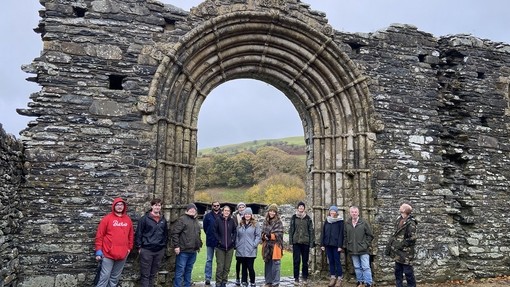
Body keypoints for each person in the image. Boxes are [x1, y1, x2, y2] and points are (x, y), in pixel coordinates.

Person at [94, 197, 134, 287]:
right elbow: (99, 235)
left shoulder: (128, 220)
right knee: (104, 276)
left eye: (121, 205)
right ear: (114, 206)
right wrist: (98, 251)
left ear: (124, 207)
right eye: (117, 205)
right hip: (108, 253)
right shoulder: (107, 219)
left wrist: (129, 248)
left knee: (115, 278)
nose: (119, 207)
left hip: (122, 254)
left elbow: (131, 235)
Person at [135, 198, 168, 287]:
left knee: (153, 274)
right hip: (147, 249)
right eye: (155, 205)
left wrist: (163, 246)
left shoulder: (163, 220)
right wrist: (139, 247)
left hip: (159, 250)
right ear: (152, 206)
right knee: (145, 274)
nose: (157, 207)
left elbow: (165, 234)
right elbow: (139, 233)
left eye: (159, 205)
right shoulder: (144, 219)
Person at [385, 203, 418, 287]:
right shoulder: (399, 219)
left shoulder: (411, 223)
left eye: (401, 206)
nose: (399, 207)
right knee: (398, 273)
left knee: (408, 273)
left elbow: (413, 239)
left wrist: (400, 244)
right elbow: (395, 234)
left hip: (406, 254)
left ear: (404, 210)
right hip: (397, 254)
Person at [171, 203, 203, 287]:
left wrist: (199, 244)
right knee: (180, 271)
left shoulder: (195, 220)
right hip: (183, 251)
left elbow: (197, 234)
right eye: (190, 209)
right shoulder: (182, 219)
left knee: (188, 270)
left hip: (193, 251)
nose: (192, 210)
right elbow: (175, 233)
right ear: (187, 210)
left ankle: (187, 285)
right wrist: (176, 246)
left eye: (194, 209)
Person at [344, 206, 374, 287]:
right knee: (357, 267)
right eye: (352, 212)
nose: (354, 213)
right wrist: (348, 245)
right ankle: (360, 282)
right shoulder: (347, 223)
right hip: (352, 249)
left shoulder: (364, 222)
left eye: (355, 212)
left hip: (363, 249)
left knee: (365, 267)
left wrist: (365, 244)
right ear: (350, 213)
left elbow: (370, 235)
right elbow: (345, 236)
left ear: (358, 213)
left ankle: (368, 283)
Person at [289, 201, 315, 286]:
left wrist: (311, 243)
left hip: (305, 242)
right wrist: (290, 241)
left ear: (304, 208)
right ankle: (296, 278)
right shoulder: (294, 217)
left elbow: (311, 230)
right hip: (296, 242)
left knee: (305, 261)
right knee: (296, 261)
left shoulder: (307, 218)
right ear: (297, 208)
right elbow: (291, 229)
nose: (301, 208)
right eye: (299, 206)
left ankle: (305, 278)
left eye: (302, 206)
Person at [235, 207, 261, 287]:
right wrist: (237, 244)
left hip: (251, 249)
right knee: (243, 267)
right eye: (246, 214)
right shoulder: (240, 224)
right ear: (244, 215)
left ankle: (252, 281)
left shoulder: (255, 224)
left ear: (251, 215)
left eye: (248, 214)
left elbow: (258, 236)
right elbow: (237, 235)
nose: (247, 215)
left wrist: (254, 244)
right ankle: (244, 281)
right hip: (241, 249)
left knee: (250, 266)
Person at [320, 205, 344, 287]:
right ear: (329, 212)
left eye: (334, 211)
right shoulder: (327, 220)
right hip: (328, 244)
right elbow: (323, 232)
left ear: (336, 212)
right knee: (331, 261)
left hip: (336, 245)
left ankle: (339, 279)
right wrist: (322, 244)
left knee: (337, 261)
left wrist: (340, 245)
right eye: (331, 211)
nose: (332, 212)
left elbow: (341, 234)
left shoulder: (340, 221)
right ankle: (333, 277)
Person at [261, 203, 284, 287]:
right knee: (267, 263)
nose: (272, 213)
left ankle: (276, 282)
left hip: (275, 246)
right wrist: (264, 236)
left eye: (274, 211)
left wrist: (271, 236)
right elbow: (262, 232)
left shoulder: (279, 222)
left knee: (276, 264)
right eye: (270, 211)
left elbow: (280, 233)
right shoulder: (265, 221)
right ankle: (268, 281)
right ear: (268, 211)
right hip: (267, 246)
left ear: (276, 213)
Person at [214, 205, 237, 287]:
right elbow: (215, 232)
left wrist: (232, 240)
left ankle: (224, 282)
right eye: (225, 210)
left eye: (228, 211)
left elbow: (235, 231)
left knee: (227, 266)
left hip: (230, 247)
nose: (227, 212)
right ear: (222, 211)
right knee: (220, 266)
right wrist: (219, 240)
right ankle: (218, 282)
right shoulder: (218, 220)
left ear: (230, 212)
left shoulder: (232, 221)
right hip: (220, 247)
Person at [203, 201, 222, 285]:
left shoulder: (222, 215)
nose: (216, 207)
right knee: (209, 260)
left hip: (220, 242)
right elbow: (205, 227)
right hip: (210, 241)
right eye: (214, 205)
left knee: (220, 261)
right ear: (212, 206)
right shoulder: (207, 216)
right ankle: (208, 277)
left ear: (219, 206)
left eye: (218, 205)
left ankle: (219, 278)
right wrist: (209, 234)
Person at [232, 202, 247, 286]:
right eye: (240, 207)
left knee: (246, 261)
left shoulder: (248, 216)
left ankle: (244, 278)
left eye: (243, 207)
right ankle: (237, 277)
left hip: (246, 242)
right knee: (238, 261)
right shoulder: (235, 217)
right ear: (238, 209)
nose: (241, 209)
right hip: (238, 241)